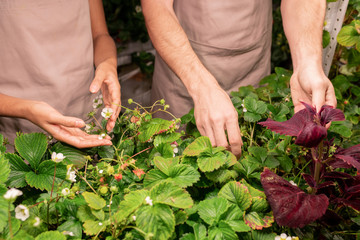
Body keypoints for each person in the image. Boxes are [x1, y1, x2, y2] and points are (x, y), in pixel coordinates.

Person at [141, 0, 337, 158]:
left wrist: (307, 63)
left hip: (253, 61)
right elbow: (157, 7)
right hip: (185, 68)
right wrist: (201, 87)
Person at [0, 0, 121, 150]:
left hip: (88, 116)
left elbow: (100, 35)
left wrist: (108, 63)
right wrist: (26, 109)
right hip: (20, 135)